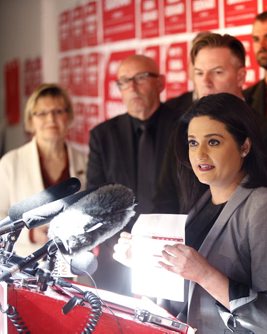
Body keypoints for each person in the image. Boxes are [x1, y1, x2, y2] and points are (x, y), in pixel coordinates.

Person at [114, 93, 267, 333]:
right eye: (193, 142)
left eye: (213, 142)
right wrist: (144, 262)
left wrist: (205, 274)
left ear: (244, 146)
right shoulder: (199, 204)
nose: (200, 154)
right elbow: (183, 294)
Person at [155, 33, 267, 209]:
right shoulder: (182, 128)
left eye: (217, 72)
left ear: (241, 76)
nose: (206, 82)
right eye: (199, 73)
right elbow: (164, 199)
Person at [87, 54, 182, 295]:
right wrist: (119, 246)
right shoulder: (103, 136)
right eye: (124, 81)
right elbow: (95, 202)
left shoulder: (184, 128)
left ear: (160, 83)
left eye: (141, 78)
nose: (132, 87)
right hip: (118, 256)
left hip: (173, 256)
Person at [0, 83, 87, 257]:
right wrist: (30, 234)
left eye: (58, 112)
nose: (51, 119)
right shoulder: (10, 163)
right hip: (25, 264)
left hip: (73, 262)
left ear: (69, 117)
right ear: (31, 120)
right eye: (42, 113)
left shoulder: (85, 160)